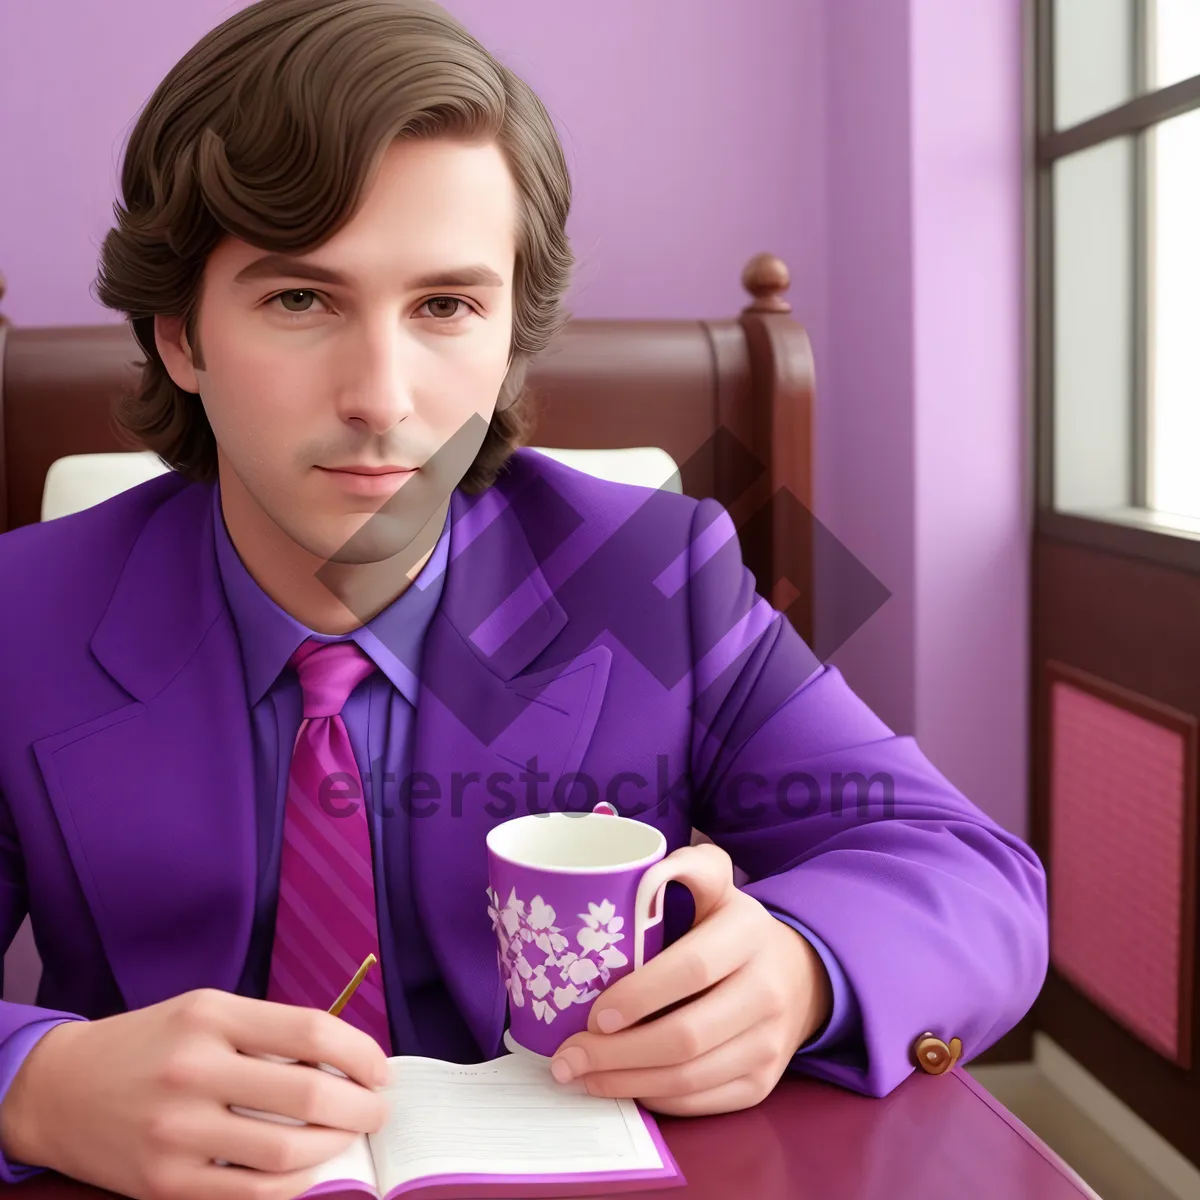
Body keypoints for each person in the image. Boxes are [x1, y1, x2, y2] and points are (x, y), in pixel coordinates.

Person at [0, 0, 1049, 1196]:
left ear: (508, 336)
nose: (381, 397)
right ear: (182, 337)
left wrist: (804, 970)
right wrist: (31, 1086)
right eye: (302, 301)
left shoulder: (661, 584)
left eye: (446, 306)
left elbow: (972, 875)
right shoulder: (19, 614)